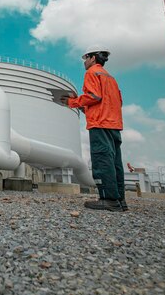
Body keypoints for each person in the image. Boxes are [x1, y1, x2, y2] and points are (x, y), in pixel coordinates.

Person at [61, 46, 126, 212]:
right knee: (115, 163)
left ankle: (108, 199)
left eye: (85, 58)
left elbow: (94, 96)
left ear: (92, 58)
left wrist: (72, 102)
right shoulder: (110, 78)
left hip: (100, 124)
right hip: (114, 125)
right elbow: (112, 102)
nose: (84, 62)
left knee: (102, 160)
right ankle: (120, 200)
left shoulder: (92, 73)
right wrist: (84, 107)